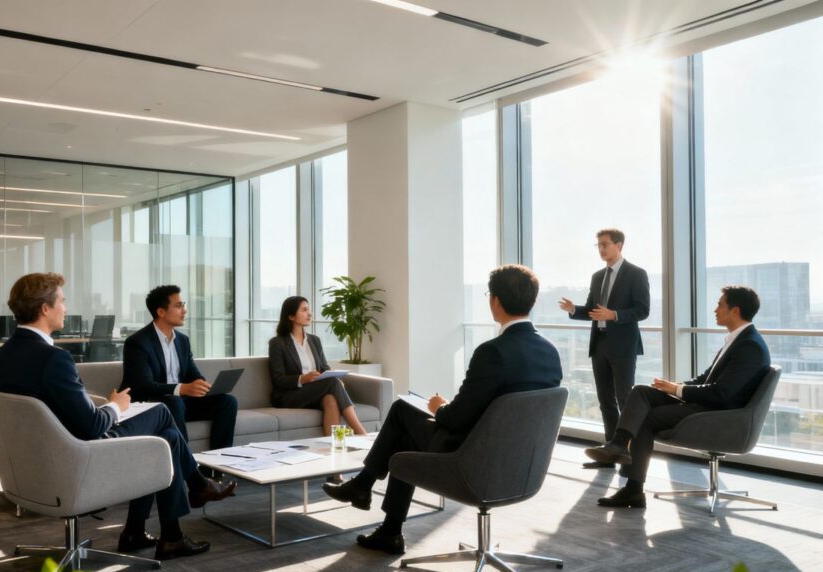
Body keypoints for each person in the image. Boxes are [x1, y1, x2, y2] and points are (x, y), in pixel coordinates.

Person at [0, 273, 235, 561]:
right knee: (162, 414)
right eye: (62, 301)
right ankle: (198, 485)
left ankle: (147, 533)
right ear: (45, 309)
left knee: (165, 439)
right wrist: (116, 405)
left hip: (37, 462)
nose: (65, 308)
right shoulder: (54, 359)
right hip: (78, 457)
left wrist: (103, 406)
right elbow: (93, 425)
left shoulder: (2, 357)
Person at [321, 265, 562, 554]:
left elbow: (456, 419)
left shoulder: (492, 352)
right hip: (522, 465)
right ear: (532, 301)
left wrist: (439, 406)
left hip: (473, 459)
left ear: (495, 301)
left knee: (401, 412)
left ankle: (365, 488)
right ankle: (381, 518)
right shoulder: (550, 352)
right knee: (404, 436)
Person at [585, 286, 770, 508]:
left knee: (647, 418)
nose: (715, 309)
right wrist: (675, 386)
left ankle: (633, 488)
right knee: (642, 391)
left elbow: (721, 394)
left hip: (720, 414)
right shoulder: (738, 340)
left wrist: (678, 391)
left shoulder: (750, 346)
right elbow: (706, 378)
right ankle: (618, 444)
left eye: (720, 304)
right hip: (707, 404)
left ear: (735, 310)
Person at [558, 228, 649, 471]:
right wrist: (572, 310)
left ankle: (630, 457)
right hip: (599, 344)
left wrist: (615, 315)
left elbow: (643, 310)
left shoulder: (636, 274)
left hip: (622, 346)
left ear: (619, 245)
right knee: (605, 401)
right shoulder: (598, 276)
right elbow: (591, 310)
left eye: (605, 244)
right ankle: (609, 453)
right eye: (598, 245)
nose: (601, 249)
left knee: (624, 399)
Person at [121, 285, 238, 452]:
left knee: (227, 402)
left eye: (183, 305)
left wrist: (201, 385)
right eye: (179, 306)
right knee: (175, 402)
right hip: (151, 403)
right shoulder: (138, 342)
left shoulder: (182, 340)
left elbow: (192, 372)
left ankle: (219, 464)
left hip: (179, 404)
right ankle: (187, 469)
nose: (184, 311)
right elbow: (143, 385)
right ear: (161, 312)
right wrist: (182, 388)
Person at [268, 296, 368, 438]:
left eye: (309, 309)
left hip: (315, 391)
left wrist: (335, 378)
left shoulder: (315, 340)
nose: (309, 313)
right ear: (291, 316)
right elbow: (278, 378)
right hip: (289, 395)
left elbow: (324, 368)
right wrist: (303, 379)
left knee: (330, 400)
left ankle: (332, 448)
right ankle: (361, 432)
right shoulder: (277, 343)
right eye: (304, 310)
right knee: (332, 384)